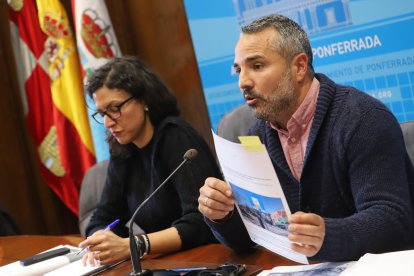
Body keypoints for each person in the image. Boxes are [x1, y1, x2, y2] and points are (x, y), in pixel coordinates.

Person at [198, 14, 414, 262]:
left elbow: (393, 221)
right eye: (238, 70)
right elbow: (251, 239)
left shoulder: (363, 119)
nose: (243, 82)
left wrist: (328, 235)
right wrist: (222, 216)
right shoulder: (254, 136)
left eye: (257, 66)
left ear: (299, 67)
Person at [80, 56, 222, 266]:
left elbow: (202, 222)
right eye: (102, 113)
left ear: (143, 100)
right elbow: (102, 218)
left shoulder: (177, 138)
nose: (108, 122)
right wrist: (100, 242)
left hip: (206, 260)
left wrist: (136, 245)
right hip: (165, 263)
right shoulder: (122, 149)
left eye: (115, 108)